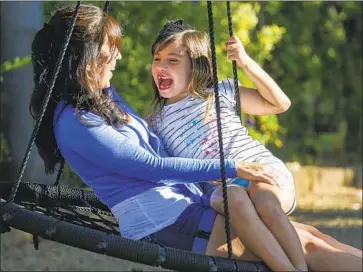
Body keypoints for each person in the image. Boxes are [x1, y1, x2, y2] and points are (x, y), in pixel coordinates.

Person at [29, 4, 362, 272]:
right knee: (309, 246)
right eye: (109, 49)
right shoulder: (75, 122)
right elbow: (149, 166)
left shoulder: (103, 97)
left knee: (314, 235)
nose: (117, 56)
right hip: (168, 223)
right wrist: (231, 167)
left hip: (187, 207)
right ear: (84, 56)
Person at [147, 19, 307, 271]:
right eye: (157, 59)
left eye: (173, 60)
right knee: (233, 196)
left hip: (262, 171)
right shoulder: (155, 122)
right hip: (223, 189)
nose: (161, 66)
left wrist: (245, 63)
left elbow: (280, 104)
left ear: (196, 67)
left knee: (265, 202)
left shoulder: (219, 93)